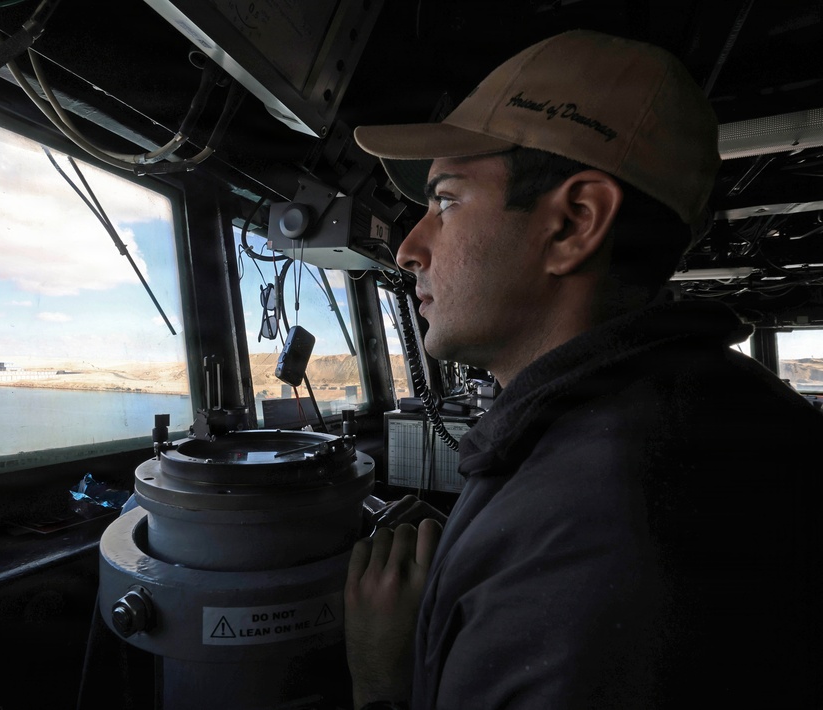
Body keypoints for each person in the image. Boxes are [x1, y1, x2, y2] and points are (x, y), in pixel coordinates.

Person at [344, 29, 822, 709]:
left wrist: (385, 680)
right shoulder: (712, 416)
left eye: (446, 201)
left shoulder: (594, 542)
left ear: (574, 223)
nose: (409, 249)